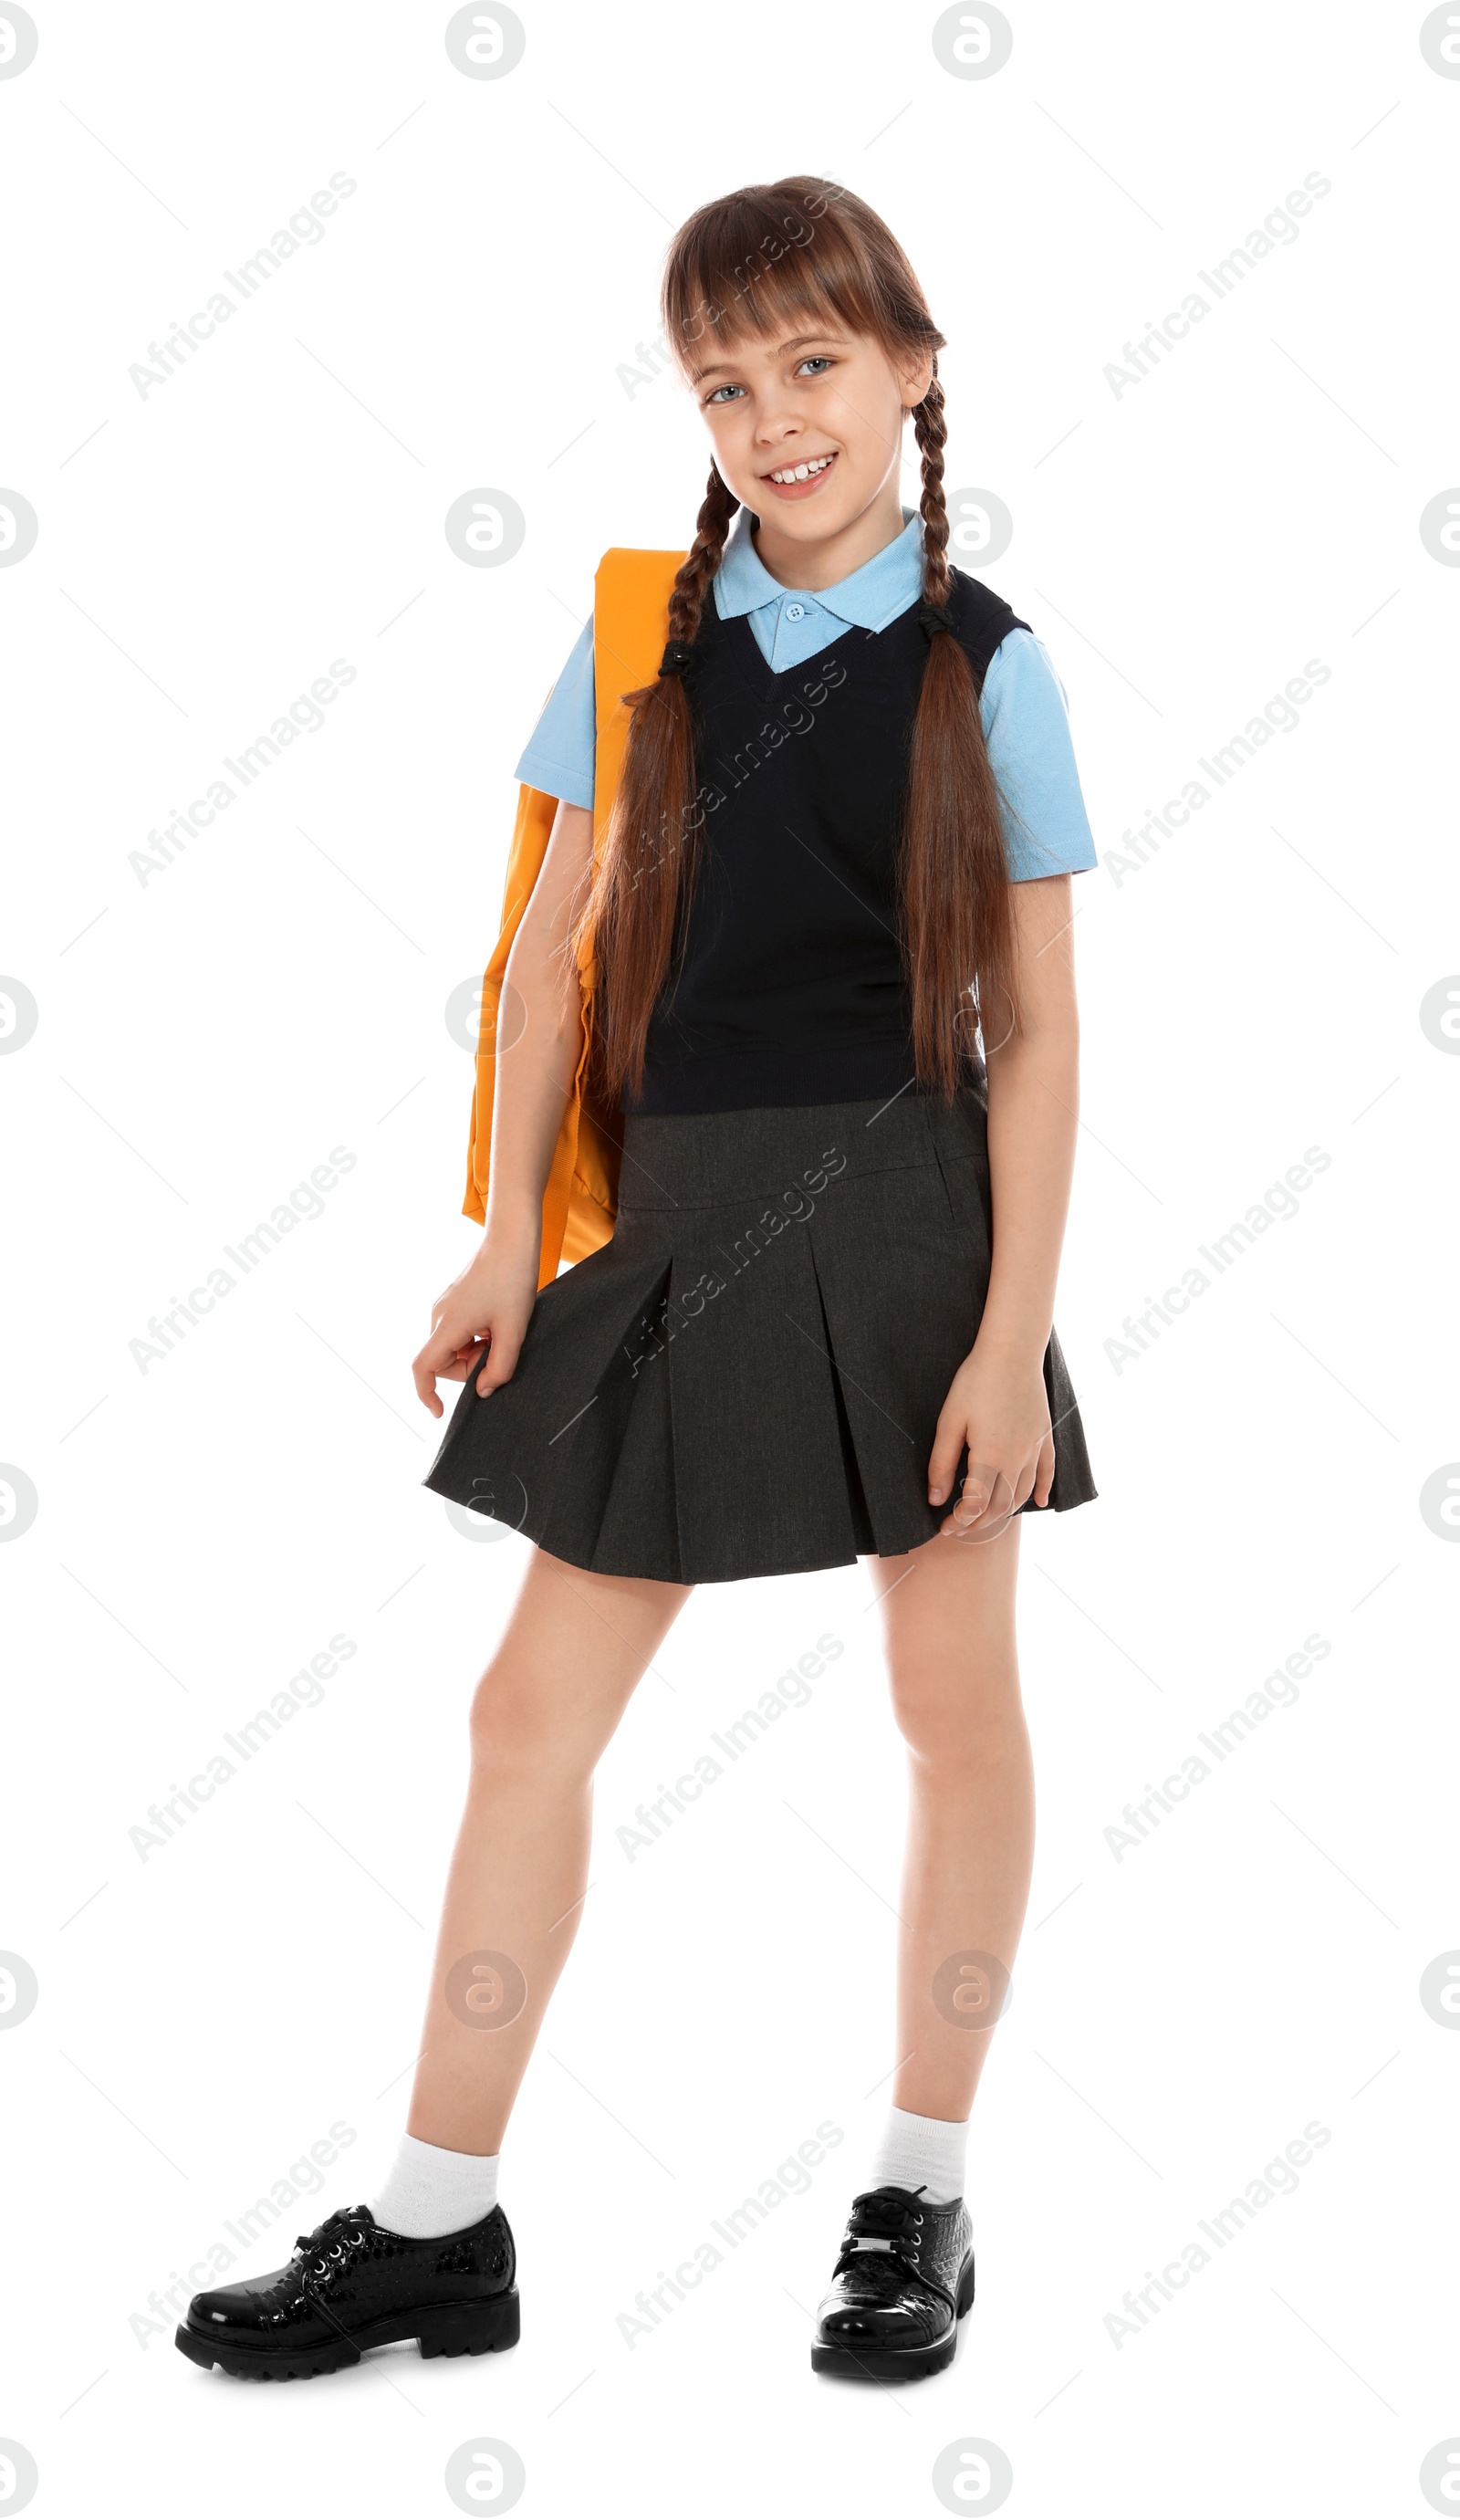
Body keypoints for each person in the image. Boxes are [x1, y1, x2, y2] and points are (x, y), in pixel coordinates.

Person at [176, 173, 1098, 2389]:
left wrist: (1003, 1349)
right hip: (672, 1221)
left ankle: (918, 2196)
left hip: (904, 1224)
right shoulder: (627, 633)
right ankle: (435, 2229)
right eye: (724, 379)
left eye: (811, 361)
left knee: (946, 1716)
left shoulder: (988, 660)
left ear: (909, 367)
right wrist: (507, 1229)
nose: (772, 414)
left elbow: (1041, 1029)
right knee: (524, 1717)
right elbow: (540, 974)